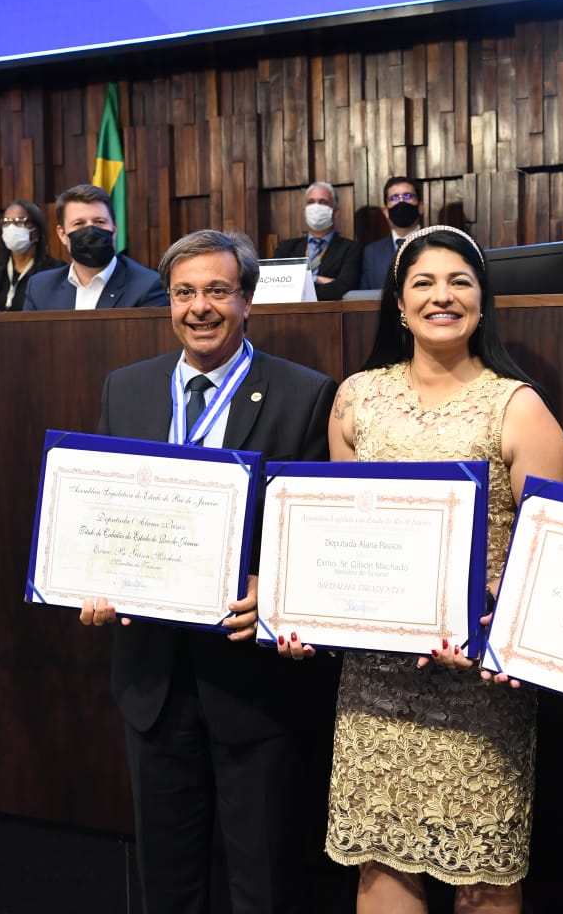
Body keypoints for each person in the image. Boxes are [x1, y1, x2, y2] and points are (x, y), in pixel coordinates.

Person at [289, 226, 563, 912]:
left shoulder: (517, 404)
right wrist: (302, 615)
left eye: (460, 282)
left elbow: (548, 555)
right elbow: (337, 537)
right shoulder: (355, 397)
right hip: (376, 681)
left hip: (477, 680)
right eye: (423, 283)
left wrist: (491, 621)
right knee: (379, 866)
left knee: (484, 876)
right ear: (398, 300)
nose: (442, 296)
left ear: (483, 300)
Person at [81, 229, 340, 914]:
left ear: (248, 301)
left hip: (252, 683)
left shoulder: (305, 395)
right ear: (168, 302)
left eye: (218, 291)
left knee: (264, 879)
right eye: (185, 292)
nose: (201, 307)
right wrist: (92, 579)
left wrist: (279, 592)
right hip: (152, 678)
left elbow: (315, 534)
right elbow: (105, 515)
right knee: (167, 877)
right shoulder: (126, 389)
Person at [23, 184, 167, 310]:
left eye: (99, 221)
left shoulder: (148, 285)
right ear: (62, 234)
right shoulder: (40, 287)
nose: (90, 231)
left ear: (114, 229)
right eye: (79, 224)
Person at [272, 181, 362, 300]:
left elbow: (343, 287)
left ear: (335, 212)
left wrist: (300, 284)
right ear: (304, 212)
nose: (316, 207)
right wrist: (320, 279)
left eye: (323, 202)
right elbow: (273, 287)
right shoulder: (285, 248)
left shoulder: (350, 249)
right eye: (311, 202)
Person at [0, 199, 67, 311]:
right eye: (6, 222)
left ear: (36, 231)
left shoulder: (56, 271)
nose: (11, 228)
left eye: (19, 221)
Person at [358, 176, 423, 290]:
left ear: (421, 207)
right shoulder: (371, 253)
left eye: (408, 196)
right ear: (386, 211)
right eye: (394, 198)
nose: (401, 201)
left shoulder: (438, 245)